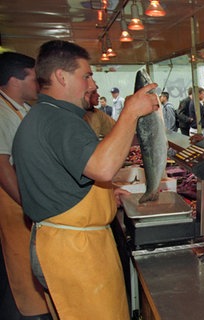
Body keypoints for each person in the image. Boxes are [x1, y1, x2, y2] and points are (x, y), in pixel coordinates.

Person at [12, 40, 159, 319]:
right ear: (61, 76)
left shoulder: (46, 115)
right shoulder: (59, 120)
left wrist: (103, 196)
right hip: (73, 253)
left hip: (65, 242)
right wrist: (131, 111)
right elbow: (103, 168)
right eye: (86, 76)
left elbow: (63, 176)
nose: (92, 85)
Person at [0, 52, 52, 319]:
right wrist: (29, 203)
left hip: (29, 200)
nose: (38, 84)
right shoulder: (1, 112)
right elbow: (2, 167)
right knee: (19, 271)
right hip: (14, 206)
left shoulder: (22, 108)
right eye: (33, 77)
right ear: (14, 79)